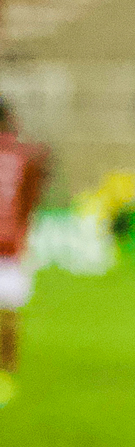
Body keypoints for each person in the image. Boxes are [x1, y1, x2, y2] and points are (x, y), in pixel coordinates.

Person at [0, 99, 51, 405]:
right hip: (11, 248)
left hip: (10, 247)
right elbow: (36, 189)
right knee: (9, 316)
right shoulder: (25, 155)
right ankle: (6, 375)